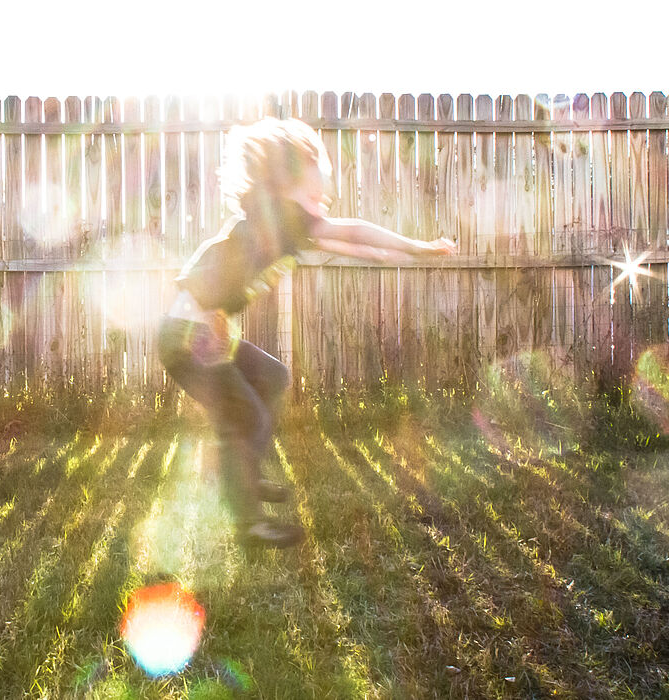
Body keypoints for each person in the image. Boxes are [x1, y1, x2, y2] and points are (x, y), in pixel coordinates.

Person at [158, 118, 457, 548]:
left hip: (202, 328)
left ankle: (245, 479)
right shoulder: (279, 216)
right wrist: (416, 246)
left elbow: (352, 244)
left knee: (272, 377)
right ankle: (250, 526)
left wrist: (403, 254)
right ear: (286, 184)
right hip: (192, 333)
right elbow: (351, 231)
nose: (324, 200)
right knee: (244, 416)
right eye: (315, 192)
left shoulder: (287, 225)